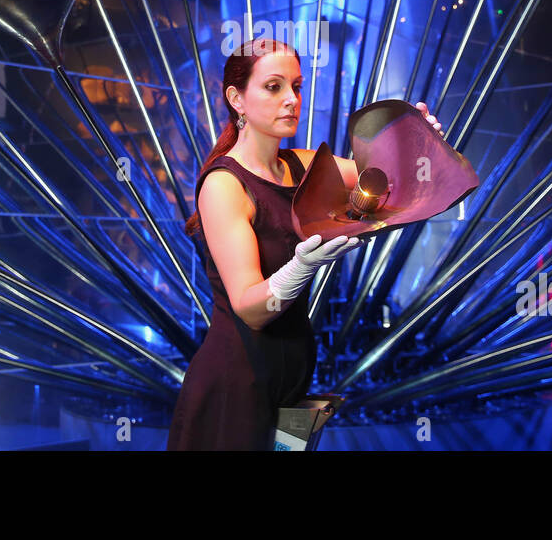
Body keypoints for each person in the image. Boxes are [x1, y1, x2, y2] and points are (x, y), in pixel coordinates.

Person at [166, 36, 443, 450]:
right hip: (236, 386)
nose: (291, 100)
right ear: (236, 98)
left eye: (296, 86)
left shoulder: (305, 166)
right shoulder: (224, 185)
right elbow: (250, 309)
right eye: (273, 87)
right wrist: (301, 266)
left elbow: (398, 184)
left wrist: (423, 141)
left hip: (292, 381)